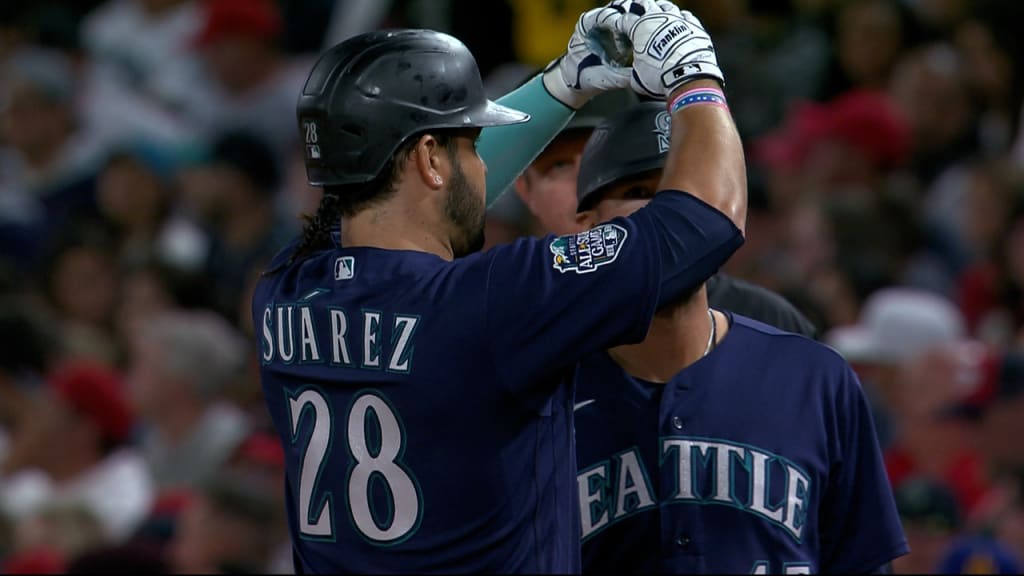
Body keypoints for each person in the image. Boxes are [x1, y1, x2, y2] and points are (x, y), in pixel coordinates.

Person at [253, 1, 747, 572]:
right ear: (430, 158)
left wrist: (564, 85)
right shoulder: (490, 302)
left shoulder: (285, 287)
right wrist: (695, 76)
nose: (486, 168)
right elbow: (710, 220)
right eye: (470, 144)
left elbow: (408, 207)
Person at [569, 101, 908, 573]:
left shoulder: (815, 377)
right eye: (639, 190)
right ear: (587, 230)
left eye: (683, 191)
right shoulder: (540, 392)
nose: (666, 212)